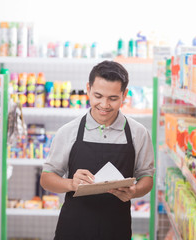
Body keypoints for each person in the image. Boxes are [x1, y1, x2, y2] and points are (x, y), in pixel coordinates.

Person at [40, 60, 154, 240]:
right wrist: (71, 184)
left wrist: (134, 191)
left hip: (116, 228)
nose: (104, 104)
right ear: (88, 89)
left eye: (113, 98)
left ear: (124, 95)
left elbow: (147, 177)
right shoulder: (68, 131)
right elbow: (47, 179)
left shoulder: (139, 133)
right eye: (98, 96)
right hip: (74, 228)